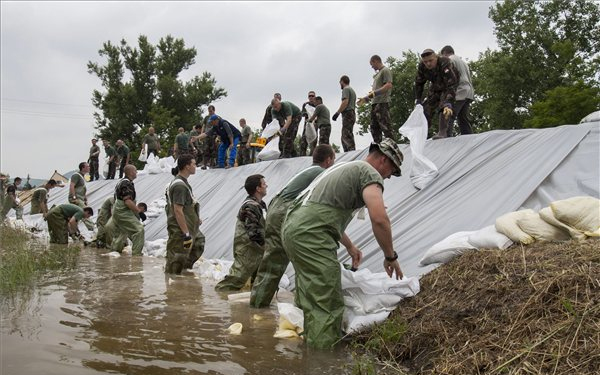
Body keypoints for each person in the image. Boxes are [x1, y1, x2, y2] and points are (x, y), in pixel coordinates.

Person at [281, 138, 404, 349]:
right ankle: (322, 362)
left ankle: (301, 350)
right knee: (327, 300)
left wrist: (350, 246)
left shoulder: (343, 167)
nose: (388, 177)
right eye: (391, 171)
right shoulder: (369, 173)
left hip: (294, 230)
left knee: (308, 293)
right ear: (384, 160)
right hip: (311, 234)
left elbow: (323, 211)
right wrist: (390, 256)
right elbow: (380, 219)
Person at [250, 145, 336, 308]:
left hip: (279, 210)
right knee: (275, 262)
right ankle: (257, 309)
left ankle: (259, 305)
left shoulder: (308, 171)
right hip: (283, 212)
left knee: (278, 259)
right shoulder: (320, 173)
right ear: (329, 160)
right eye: (334, 161)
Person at [215, 174, 268, 291]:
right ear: (258, 189)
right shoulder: (250, 206)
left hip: (257, 251)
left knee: (257, 282)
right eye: (264, 184)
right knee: (234, 281)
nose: (266, 186)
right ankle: (218, 299)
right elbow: (253, 231)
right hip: (247, 250)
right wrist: (266, 245)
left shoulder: (260, 205)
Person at [164, 154, 205, 274]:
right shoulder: (179, 186)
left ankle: (184, 272)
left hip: (190, 226)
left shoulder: (184, 183)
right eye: (193, 164)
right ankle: (173, 282)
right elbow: (177, 210)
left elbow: (188, 206)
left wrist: (196, 219)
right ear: (187, 166)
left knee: (198, 243)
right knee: (177, 257)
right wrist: (186, 233)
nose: (195, 166)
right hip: (181, 229)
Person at [414, 48, 460, 139]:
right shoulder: (422, 67)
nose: (428, 64)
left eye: (430, 60)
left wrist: (448, 101)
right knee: (426, 108)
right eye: (425, 62)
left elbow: (452, 84)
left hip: (449, 84)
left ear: (436, 57)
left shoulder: (444, 62)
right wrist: (418, 100)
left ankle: (442, 131)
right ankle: (420, 135)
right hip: (436, 85)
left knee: (444, 106)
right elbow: (419, 83)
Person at [108, 164, 145, 254]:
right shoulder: (126, 183)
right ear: (131, 172)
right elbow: (127, 201)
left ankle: (114, 255)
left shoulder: (121, 182)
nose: (136, 172)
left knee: (121, 233)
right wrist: (138, 211)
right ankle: (136, 257)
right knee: (139, 230)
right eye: (135, 171)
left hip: (117, 210)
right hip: (122, 211)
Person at [357, 55, 395, 143]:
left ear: (375, 61)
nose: (372, 67)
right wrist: (366, 99)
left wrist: (374, 94)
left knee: (386, 127)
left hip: (382, 103)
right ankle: (378, 146)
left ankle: (392, 146)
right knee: (374, 127)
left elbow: (388, 85)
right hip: (375, 104)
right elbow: (374, 92)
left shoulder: (385, 71)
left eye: (372, 64)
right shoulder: (378, 74)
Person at [440, 45, 474, 137]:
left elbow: (450, 77)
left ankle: (446, 137)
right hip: (469, 91)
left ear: (445, 54)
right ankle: (468, 137)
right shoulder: (463, 62)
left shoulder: (450, 60)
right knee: (463, 118)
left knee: (449, 114)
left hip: (460, 90)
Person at [332, 75, 357, 151]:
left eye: (340, 82)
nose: (340, 84)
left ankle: (350, 153)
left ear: (342, 81)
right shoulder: (352, 90)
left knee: (345, 136)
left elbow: (345, 102)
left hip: (348, 113)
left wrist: (337, 113)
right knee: (348, 134)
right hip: (352, 113)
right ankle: (351, 151)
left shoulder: (346, 89)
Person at [299, 91, 317, 156]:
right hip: (307, 124)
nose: (311, 97)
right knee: (303, 140)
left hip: (315, 124)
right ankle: (302, 156)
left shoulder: (317, 104)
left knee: (314, 141)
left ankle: (313, 156)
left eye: (312, 96)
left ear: (315, 97)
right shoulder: (305, 105)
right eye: (310, 96)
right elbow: (302, 113)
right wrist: (306, 113)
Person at [201, 105, 218, 169]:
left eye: (211, 111)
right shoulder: (206, 117)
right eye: (209, 111)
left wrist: (218, 137)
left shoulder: (217, 117)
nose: (209, 112)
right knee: (205, 150)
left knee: (213, 150)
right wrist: (202, 134)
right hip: (206, 135)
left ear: (214, 110)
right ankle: (204, 165)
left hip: (213, 135)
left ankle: (212, 164)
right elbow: (204, 126)